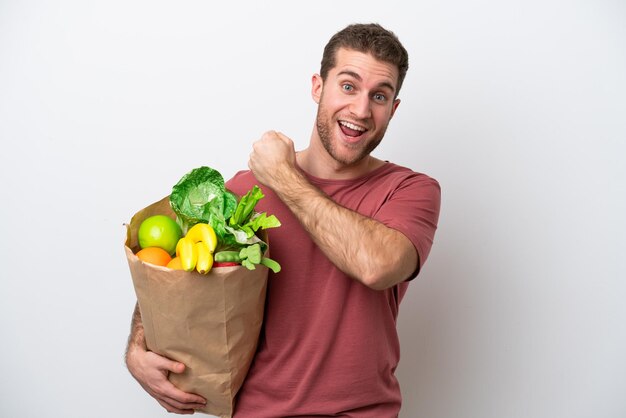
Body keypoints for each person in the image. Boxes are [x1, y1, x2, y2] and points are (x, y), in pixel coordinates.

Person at [125, 22, 441, 417]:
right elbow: (172, 271)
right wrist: (138, 346)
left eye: (379, 95)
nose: (361, 110)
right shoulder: (243, 194)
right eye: (348, 85)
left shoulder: (410, 191)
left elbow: (376, 266)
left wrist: (284, 177)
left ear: (393, 109)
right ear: (317, 87)